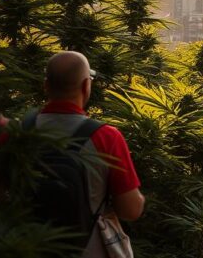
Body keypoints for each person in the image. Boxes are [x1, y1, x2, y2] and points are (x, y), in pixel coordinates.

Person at [30, 51, 144, 257]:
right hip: (87, 248)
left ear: (46, 85)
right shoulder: (105, 137)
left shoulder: (18, 131)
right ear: (85, 86)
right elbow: (130, 210)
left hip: (25, 245)